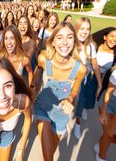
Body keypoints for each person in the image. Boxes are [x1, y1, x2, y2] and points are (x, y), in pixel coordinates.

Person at [32, 22, 86, 161]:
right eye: (60, 37)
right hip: (42, 108)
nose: (65, 42)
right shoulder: (43, 59)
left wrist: (69, 99)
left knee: (50, 152)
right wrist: (33, 88)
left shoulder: (80, 69)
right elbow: (37, 71)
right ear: (53, 42)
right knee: (49, 157)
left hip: (61, 115)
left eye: (69, 37)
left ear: (74, 41)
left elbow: (74, 90)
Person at [73, 17, 103, 139]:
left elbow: (95, 65)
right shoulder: (69, 43)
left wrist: (100, 83)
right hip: (70, 77)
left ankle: (77, 122)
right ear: (76, 29)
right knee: (74, 100)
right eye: (82, 28)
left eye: (87, 29)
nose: (84, 32)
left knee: (82, 100)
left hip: (84, 77)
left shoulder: (90, 46)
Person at [92, 27, 116, 97]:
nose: (114, 39)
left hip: (103, 82)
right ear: (105, 37)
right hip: (89, 79)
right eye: (112, 36)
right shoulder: (94, 48)